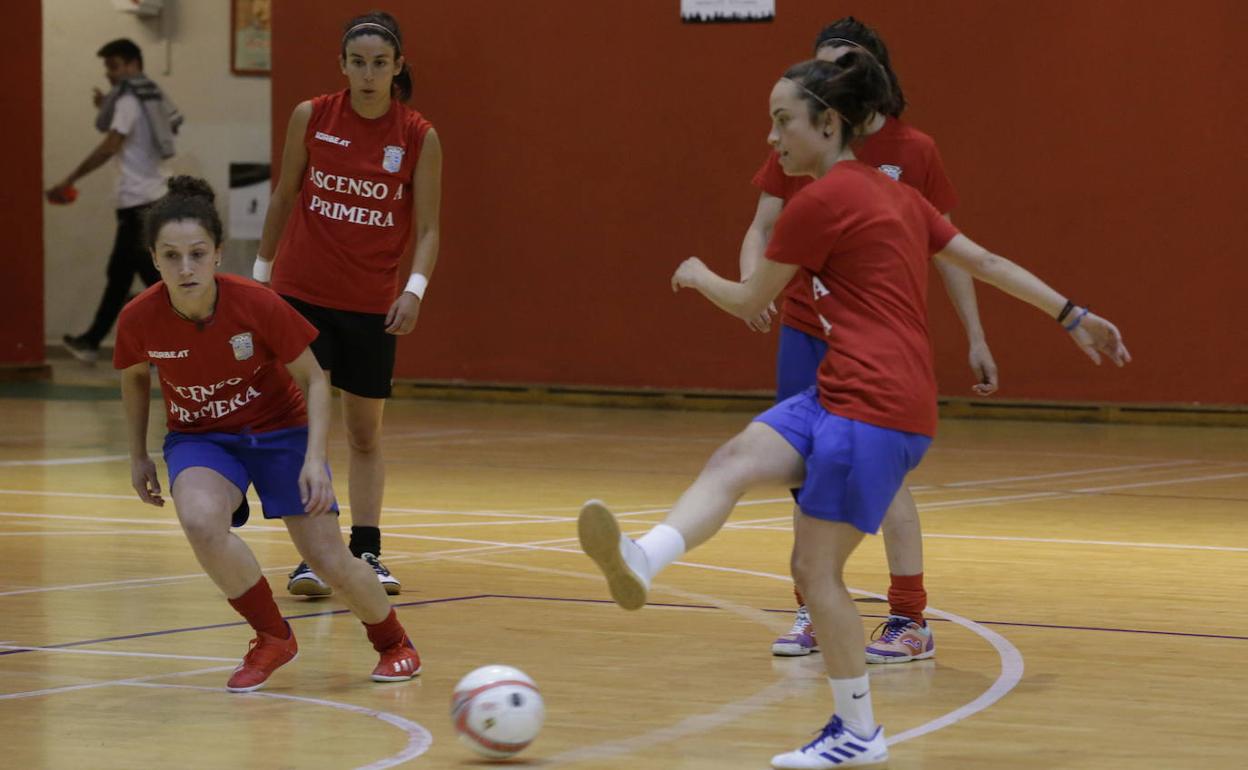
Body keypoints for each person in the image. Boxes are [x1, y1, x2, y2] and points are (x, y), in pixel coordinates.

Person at [580, 52, 1129, 768]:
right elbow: (985, 262)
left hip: (878, 403)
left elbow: (751, 301)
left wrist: (696, 275)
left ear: (828, 123)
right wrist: (1072, 313)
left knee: (816, 572)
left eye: (783, 121)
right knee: (738, 457)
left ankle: (858, 732)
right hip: (844, 389)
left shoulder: (819, 203)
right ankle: (642, 559)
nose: (773, 138)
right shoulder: (896, 195)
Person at [740, 17, 995, 663]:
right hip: (807, 328)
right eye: (822, 66)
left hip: (875, 341)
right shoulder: (797, 137)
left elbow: (952, 253)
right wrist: (753, 288)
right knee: (808, 473)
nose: (830, 78)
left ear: (873, 75)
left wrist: (975, 334)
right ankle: (815, 603)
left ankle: (909, 616)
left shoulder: (915, 151)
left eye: (844, 65)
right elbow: (762, 224)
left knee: (884, 480)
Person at [115, 176, 422, 692]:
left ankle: (394, 643)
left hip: (280, 431)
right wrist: (138, 456)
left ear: (216, 254)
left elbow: (315, 377)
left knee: (327, 558)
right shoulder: (138, 318)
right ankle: (272, 636)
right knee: (199, 520)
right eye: (171, 256)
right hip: (202, 438)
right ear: (154, 258)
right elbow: (134, 379)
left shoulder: (254, 302)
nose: (185, 268)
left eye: (196, 253)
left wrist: (311, 458)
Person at [253, 11, 443, 597]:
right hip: (301, 296)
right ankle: (317, 556)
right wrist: (261, 276)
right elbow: (285, 195)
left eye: (379, 64)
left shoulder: (417, 135)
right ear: (342, 66)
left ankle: (367, 553)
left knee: (364, 434)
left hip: (369, 304)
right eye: (357, 63)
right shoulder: (312, 116)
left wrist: (413, 291)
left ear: (397, 67)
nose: (368, 74)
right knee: (309, 429)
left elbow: (430, 228)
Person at [52, 38, 182, 364]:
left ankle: (176, 346)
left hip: (140, 203)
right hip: (151, 198)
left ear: (131, 65)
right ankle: (99, 342)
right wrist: (105, 108)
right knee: (127, 276)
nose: (109, 74)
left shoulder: (128, 99)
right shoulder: (148, 96)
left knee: (151, 281)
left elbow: (110, 146)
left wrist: (70, 179)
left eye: (113, 66)